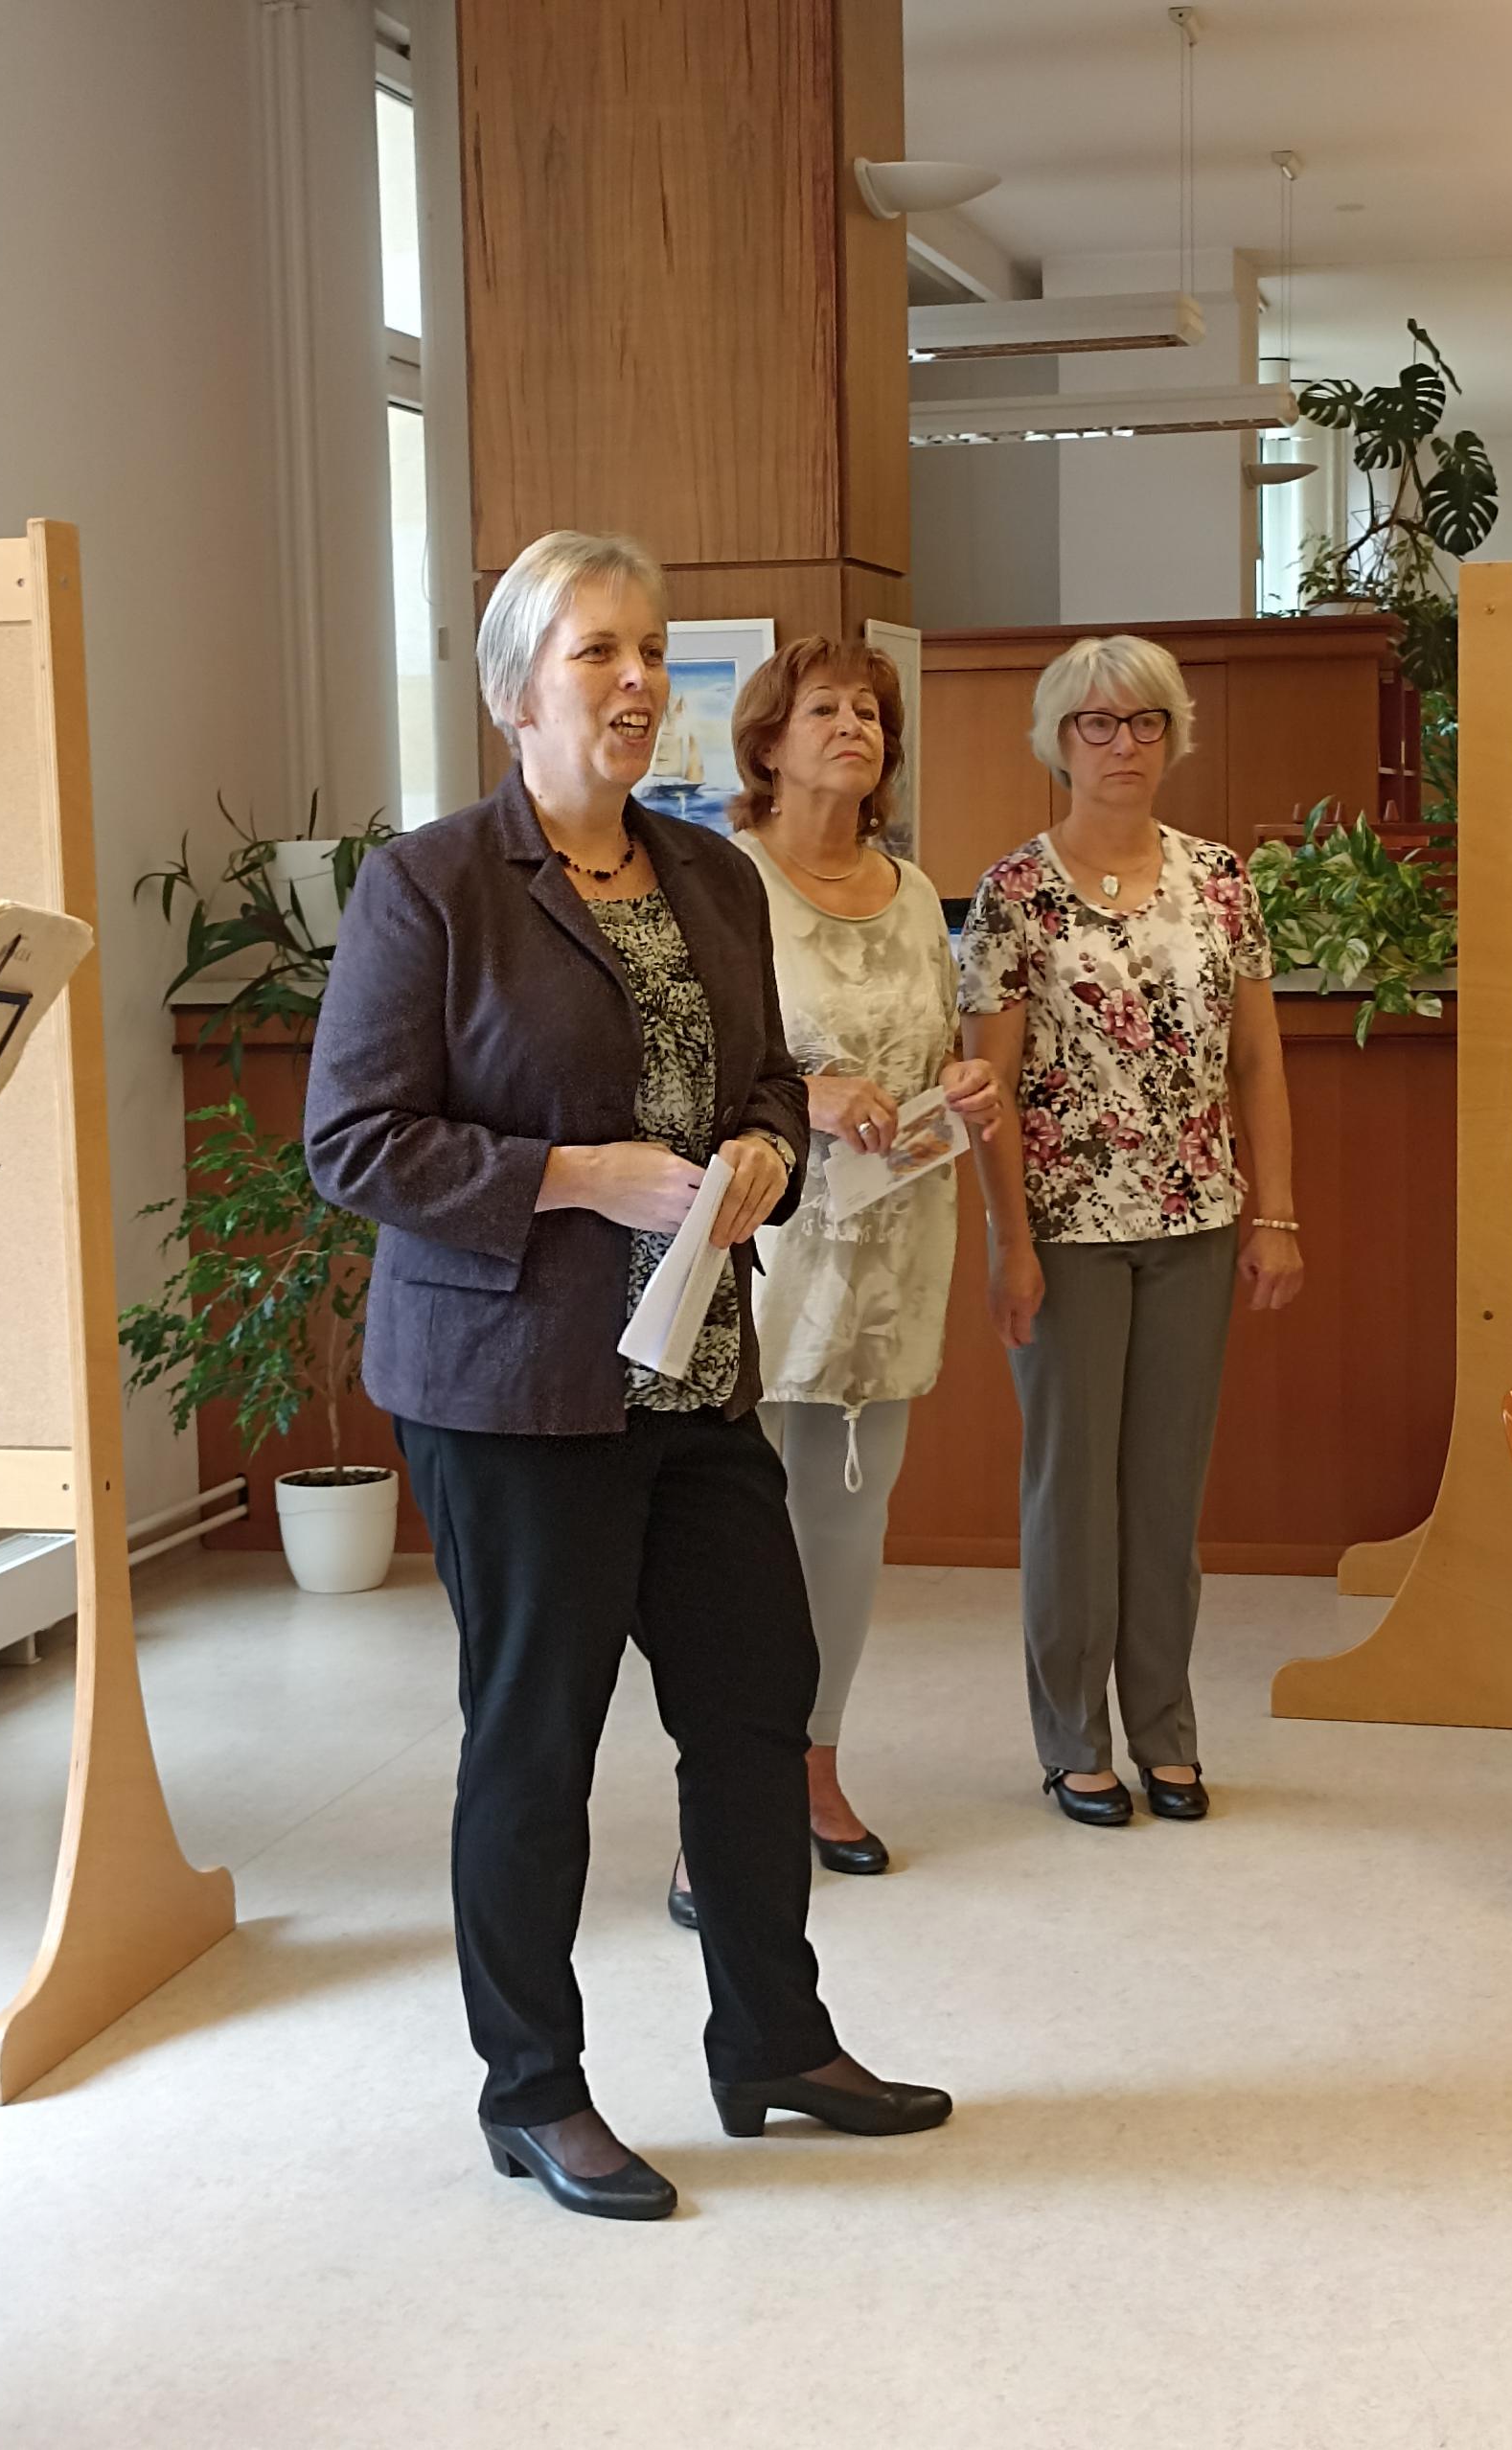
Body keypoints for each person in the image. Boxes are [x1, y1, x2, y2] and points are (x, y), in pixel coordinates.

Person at [303, 531, 951, 2225]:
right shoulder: (431, 885)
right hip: (513, 1389)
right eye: (599, 650)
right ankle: (532, 2091)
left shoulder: (710, 877)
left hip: (695, 1370)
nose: (639, 678)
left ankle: (776, 2041)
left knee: (754, 1701)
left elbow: (764, 1083)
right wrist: (578, 1177)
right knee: (536, 1741)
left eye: (652, 650)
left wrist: (764, 1153)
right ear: (515, 690)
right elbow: (354, 1140)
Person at [665, 637, 999, 1929]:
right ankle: (716, 1811)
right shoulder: (721, 879)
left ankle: (815, 1769)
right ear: (767, 741)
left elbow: (935, 1048)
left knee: (848, 1529)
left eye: (870, 710)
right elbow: (691, 1063)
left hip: (893, 1243)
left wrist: (961, 1083)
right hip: (764, 1244)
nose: (854, 724)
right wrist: (806, 1094)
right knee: (733, 1546)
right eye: (825, 708)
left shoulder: (914, 893)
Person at [958, 633, 1304, 1830]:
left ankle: (1166, 1730)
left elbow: (1258, 1062)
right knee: (1073, 1496)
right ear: (1058, 740)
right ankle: (1072, 1740)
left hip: (1197, 1220)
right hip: (1064, 1234)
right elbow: (991, 1091)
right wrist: (1008, 1243)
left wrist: (1275, 1213)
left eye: (1145, 720)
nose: (1123, 744)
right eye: (1096, 723)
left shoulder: (1222, 881)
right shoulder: (1012, 892)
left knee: (1165, 1495)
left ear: (1173, 735)